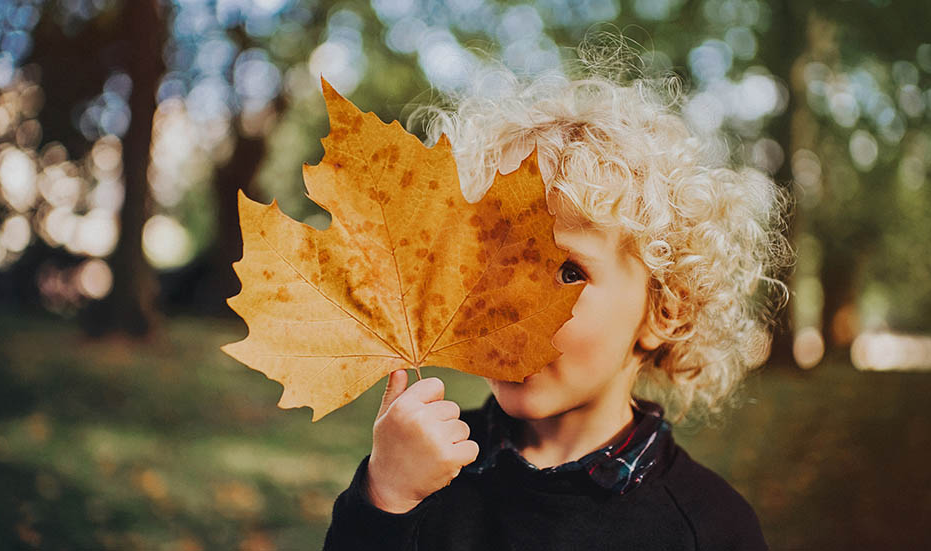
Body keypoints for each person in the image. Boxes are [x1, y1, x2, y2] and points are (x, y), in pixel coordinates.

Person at [323, 48, 792, 550]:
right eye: (493, 262)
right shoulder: (423, 468)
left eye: (568, 271)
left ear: (665, 309)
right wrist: (387, 497)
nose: (510, 301)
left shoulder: (711, 527)